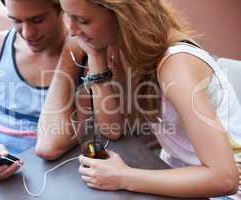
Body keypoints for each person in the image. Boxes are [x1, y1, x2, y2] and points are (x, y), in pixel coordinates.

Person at [60, 0, 241, 198]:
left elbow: (224, 179)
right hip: (177, 172)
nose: (72, 31)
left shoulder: (175, 66)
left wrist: (123, 177)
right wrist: (95, 54)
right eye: (67, 15)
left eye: (83, 20)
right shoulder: (124, 51)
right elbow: (112, 129)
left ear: (123, 17)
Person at [0, 0, 88, 181]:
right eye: (16, 20)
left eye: (37, 20)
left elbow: (87, 135)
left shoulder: (84, 55)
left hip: (57, 180)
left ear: (62, 8)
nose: (27, 33)